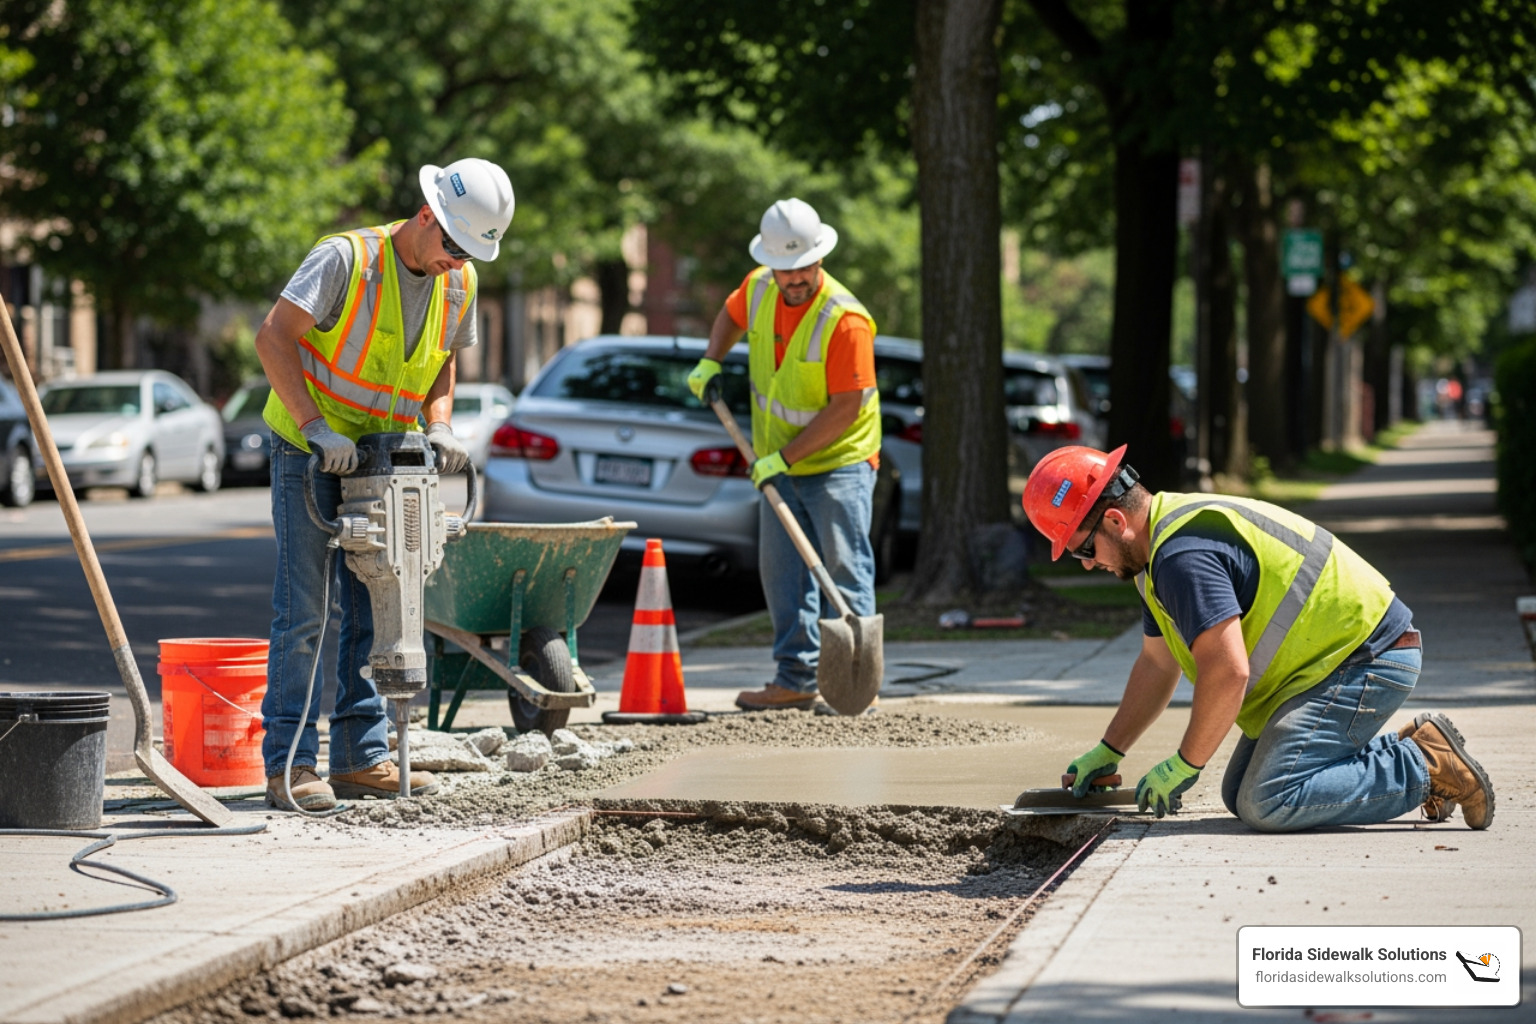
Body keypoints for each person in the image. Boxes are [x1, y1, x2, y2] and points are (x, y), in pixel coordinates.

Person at [1021, 444, 1494, 831]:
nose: (1086, 563)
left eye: (1084, 547)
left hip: (1367, 659)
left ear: (1115, 522)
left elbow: (1228, 671)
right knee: (1239, 791)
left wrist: (1186, 762)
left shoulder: (1182, 557)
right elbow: (1157, 664)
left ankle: (1423, 767)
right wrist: (1111, 749)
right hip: (1331, 667)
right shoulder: (1153, 556)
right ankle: (1409, 747)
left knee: (1268, 800)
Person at [254, 158, 515, 810]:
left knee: (378, 608)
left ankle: (359, 756)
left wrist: (443, 424)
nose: (457, 261)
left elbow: (445, 359)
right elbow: (273, 337)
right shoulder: (346, 259)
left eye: (469, 252)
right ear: (427, 214)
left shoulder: (460, 283)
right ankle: (290, 765)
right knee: (307, 613)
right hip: (310, 448)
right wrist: (315, 427)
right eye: (452, 245)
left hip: (385, 459)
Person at [687, 198, 881, 711]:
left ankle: (858, 687)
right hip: (777, 460)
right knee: (782, 575)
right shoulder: (758, 288)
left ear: (820, 257)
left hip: (839, 462)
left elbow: (846, 408)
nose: (795, 279)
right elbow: (730, 316)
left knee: (844, 568)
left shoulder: (845, 321)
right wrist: (711, 360)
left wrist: (785, 459)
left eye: (805, 267)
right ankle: (795, 677)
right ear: (771, 263)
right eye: (786, 269)